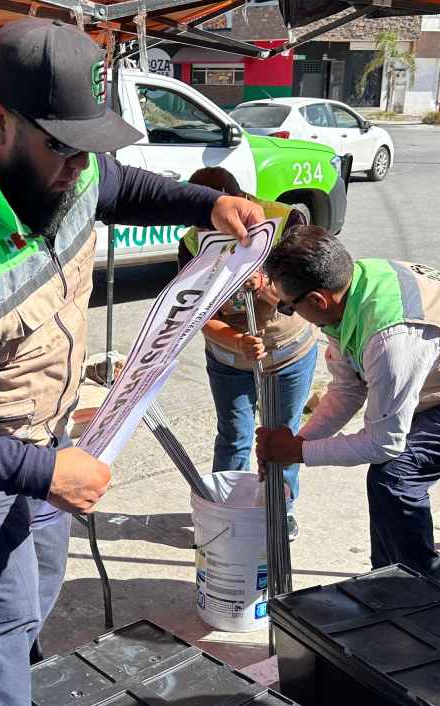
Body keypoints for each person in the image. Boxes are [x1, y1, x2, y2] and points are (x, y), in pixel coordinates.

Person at [0, 19, 263, 706]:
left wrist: (209, 203)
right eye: (65, 150)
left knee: (39, 575)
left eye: (85, 147)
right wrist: (43, 472)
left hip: (43, 421)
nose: (78, 168)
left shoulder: (56, 149)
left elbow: (118, 184)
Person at [256, 227, 440, 585]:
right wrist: (294, 444)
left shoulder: (390, 338)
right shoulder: (350, 291)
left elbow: (384, 443)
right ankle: (388, 585)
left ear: (317, 300)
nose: (285, 311)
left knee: (395, 476)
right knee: (388, 478)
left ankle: (424, 601)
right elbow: (348, 389)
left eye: (286, 305)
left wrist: (298, 451)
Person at [178, 167, 316, 540]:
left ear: (238, 202)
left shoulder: (286, 222)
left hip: (287, 352)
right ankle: (226, 513)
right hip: (229, 358)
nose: (209, 231)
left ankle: (279, 511)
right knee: (234, 435)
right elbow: (194, 315)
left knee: (282, 437)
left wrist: (269, 287)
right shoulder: (192, 242)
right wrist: (234, 340)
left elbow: (310, 294)